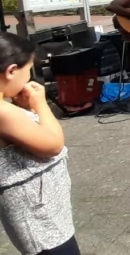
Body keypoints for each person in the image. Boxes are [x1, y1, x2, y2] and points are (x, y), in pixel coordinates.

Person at [0, 33, 80, 255]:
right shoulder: (4, 113)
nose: (28, 80)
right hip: (39, 218)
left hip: (39, 210)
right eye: (27, 73)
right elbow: (52, 144)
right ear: (11, 71)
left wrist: (26, 110)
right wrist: (40, 105)